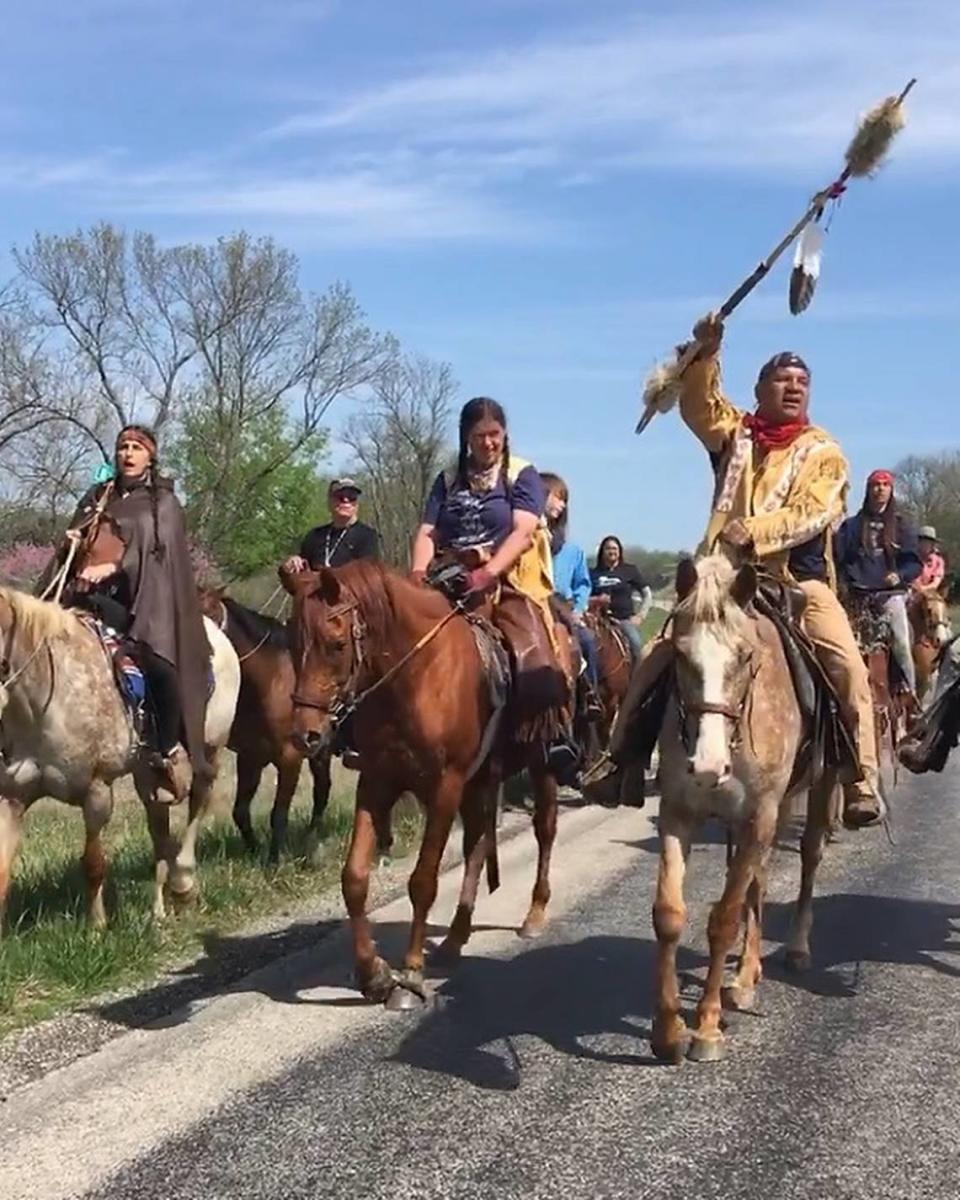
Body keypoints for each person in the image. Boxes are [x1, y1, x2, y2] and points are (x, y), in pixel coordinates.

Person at [612, 311, 883, 827]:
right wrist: (708, 349)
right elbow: (697, 406)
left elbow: (815, 511)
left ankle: (860, 776)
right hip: (723, 580)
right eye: (783, 379)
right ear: (758, 388)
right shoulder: (736, 434)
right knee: (657, 653)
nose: (794, 388)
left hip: (797, 583)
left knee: (847, 664)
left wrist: (755, 531)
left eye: (803, 382)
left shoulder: (824, 451)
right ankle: (620, 756)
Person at [40, 426, 210, 802]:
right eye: (122, 447)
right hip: (84, 597)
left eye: (136, 448)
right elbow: (78, 538)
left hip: (141, 601)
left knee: (160, 667)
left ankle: (166, 753)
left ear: (151, 456)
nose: (128, 454)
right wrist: (74, 541)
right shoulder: (99, 496)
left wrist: (113, 568)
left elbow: (157, 555)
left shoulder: (162, 503)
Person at [411, 397, 576, 775]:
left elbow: (522, 531)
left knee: (534, 648)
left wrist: (488, 572)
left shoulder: (521, 473)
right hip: (449, 573)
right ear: (466, 438)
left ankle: (554, 738)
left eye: (495, 434)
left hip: (510, 576)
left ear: (505, 435)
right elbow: (427, 531)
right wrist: (418, 574)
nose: (488, 443)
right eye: (479, 436)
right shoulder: (448, 478)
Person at [835, 470, 922, 695]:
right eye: (875, 484)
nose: (880, 489)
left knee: (901, 642)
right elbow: (839, 560)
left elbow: (914, 564)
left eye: (885, 485)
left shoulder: (902, 526)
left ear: (891, 490)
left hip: (889, 595)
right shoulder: (851, 526)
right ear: (868, 489)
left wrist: (899, 576)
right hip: (856, 596)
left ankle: (909, 694)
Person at [540, 472, 600, 689]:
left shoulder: (573, 551)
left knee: (587, 641)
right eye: (558, 497)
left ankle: (590, 693)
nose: (563, 505)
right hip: (535, 604)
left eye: (565, 500)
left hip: (563, 607)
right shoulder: (527, 538)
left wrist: (578, 607)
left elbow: (583, 584)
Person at [284, 478, 379, 574]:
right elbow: (301, 564)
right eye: (340, 496)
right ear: (329, 502)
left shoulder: (368, 536)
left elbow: (365, 576)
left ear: (357, 504)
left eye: (352, 497)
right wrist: (295, 561)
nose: (346, 500)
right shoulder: (315, 536)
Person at [590, 536, 651, 660]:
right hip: (597, 621)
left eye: (615, 548)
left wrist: (640, 616)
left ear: (619, 551)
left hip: (623, 620)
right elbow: (583, 596)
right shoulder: (592, 573)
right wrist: (596, 600)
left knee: (637, 645)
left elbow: (647, 594)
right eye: (608, 548)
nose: (612, 551)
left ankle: (638, 677)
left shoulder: (629, 570)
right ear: (602, 551)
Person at [914, 525, 947, 593]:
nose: (925, 545)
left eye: (928, 542)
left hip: (928, 593)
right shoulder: (911, 558)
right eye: (922, 541)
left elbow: (935, 584)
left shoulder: (938, 561)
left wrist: (922, 589)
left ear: (932, 545)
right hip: (908, 592)